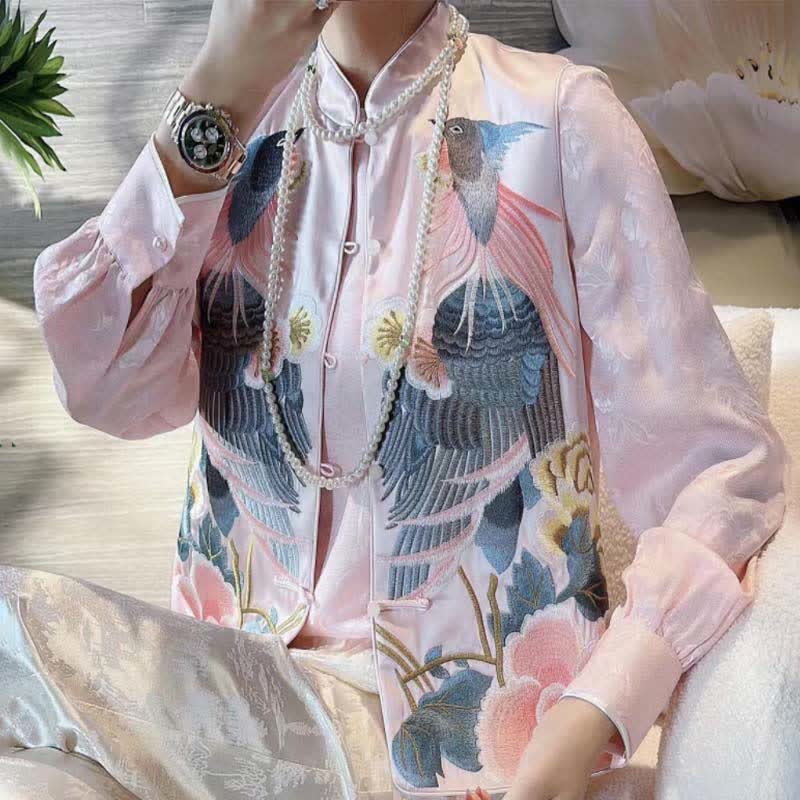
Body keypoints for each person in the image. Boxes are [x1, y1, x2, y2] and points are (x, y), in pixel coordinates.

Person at [32, 1, 790, 799]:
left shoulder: (556, 118)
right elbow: (105, 388)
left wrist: (595, 709)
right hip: (223, 715)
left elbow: (722, 471)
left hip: (466, 750)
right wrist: (217, 90)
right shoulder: (226, 132)